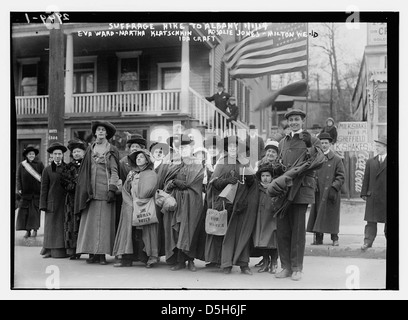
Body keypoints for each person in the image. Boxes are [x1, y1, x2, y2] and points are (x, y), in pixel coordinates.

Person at [268, 109, 324, 281]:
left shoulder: (312, 139)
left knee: (298, 231)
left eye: (297, 119)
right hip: (284, 190)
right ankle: (285, 266)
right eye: (291, 120)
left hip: (301, 189)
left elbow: (318, 161)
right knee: (283, 230)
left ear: (302, 121)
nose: (294, 122)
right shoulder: (283, 141)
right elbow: (279, 163)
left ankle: (297, 268)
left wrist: (309, 146)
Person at [205, 136, 258, 275]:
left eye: (237, 146)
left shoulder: (246, 163)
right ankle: (226, 263)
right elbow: (213, 183)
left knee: (242, 233)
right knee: (227, 234)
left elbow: (253, 186)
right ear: (227, 148)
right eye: (231, 146)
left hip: (242, 203)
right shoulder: (222, 162)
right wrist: (225, 181)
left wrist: (250, 179)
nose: (234, 149)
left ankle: (244, 264)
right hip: (226, 203)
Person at [74, 121, 120, 265]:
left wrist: (112, 189)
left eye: (103, 130)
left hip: (105, 193)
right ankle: (92, 253)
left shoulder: (111, 149)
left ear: (107, 134)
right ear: (95, 133)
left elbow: (114, 171)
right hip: (90, 193)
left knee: (104, 225)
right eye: (98, 130)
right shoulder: (89, 149)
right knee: (90, 225)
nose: (100, 132)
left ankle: (101, 255)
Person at [157, 134, 204, 271]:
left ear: (191, 147)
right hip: (175, 200)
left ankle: (190, 260)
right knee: (175, 231)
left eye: (186, 147)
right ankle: (179, 260)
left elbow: (194, 181)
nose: (183, 149)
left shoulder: (196, 162)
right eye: (180, 147)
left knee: (189, 229)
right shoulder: (172, 163)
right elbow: (165, 182)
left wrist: (183, 184)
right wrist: (172, 182)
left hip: (191, 200)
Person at [113, 150, 159, 268]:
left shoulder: (151, 174)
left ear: (147, 160)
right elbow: (125, 189)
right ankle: (127, 259)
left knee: (145, 231)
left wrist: (139, 201)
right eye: (137, 157)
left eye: (141, 157)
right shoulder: (131, 173)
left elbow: (149, 190)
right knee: (129, 232)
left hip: (144, 206)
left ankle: (149, 258)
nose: (138, 159)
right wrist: (129, 200)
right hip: (131, 206)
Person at [306, 133, 346, 246]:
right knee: (318, 214)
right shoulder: (316, 158)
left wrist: (334, 187)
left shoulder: (336, 159)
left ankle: (335, 238)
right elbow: (311, 173)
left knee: (332, 215)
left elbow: (341, 176)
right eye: (322, 143)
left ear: (330, 144)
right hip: (318, 192)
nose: (324, 145)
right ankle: (318, 238)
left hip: (331, 192)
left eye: (326, 143)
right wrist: (313, 185)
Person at [39, 142, 68, 258]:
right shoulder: (47, 170)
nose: (57, 156)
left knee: (62, 227)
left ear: (62, 155)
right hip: (51, 203)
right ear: (51, 156)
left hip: (64, 203)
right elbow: (44, 189)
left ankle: (61, 251)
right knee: (51, 227)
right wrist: (43, 204)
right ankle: (49, 250)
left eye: (59, 154)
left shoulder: (67, 168)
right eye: (55, 154)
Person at [60, 139, 87, 260]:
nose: (76, 153)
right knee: (71, 224)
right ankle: (73, 251)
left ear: (83, 153)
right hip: (71, 198)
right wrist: (75, 184)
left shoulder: (87, 166)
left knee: (83, 223)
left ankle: (85, 248)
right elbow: (64, 182)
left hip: (85, 198)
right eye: (74, 152)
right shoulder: (68, 167)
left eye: (79, 151)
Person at [360, 136, 387, 251]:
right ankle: (367, 242)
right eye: (376, 146)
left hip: (386, 196)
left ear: (385, 147)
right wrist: (364, 193)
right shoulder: (370, 162)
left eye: (379, 146)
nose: (377, 148)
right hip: (373, 196)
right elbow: (366, 178)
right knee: (370, 222)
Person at [253, 164, 279, 274]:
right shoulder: (258, 189)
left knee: (272, 241)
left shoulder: (275, 187)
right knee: (262, 240)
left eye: (268, 175)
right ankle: (265, 261)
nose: (265, 178)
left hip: (272, 218)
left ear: (272, 177)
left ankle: (274, 262)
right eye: (263, 175)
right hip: (260, 218)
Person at [16, 145, 44, 239]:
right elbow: (18, 178)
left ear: (35, 155)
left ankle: (35, 230)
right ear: (26, 155)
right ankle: (27, 231)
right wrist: (19, 188)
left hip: (36, 193)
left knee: (35, 213)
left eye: (33, 154)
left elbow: (43, 177)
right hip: (26, 193)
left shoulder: (39, 164)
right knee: (26, 213)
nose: (31, 155)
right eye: (29, 154)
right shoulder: (22, 165)